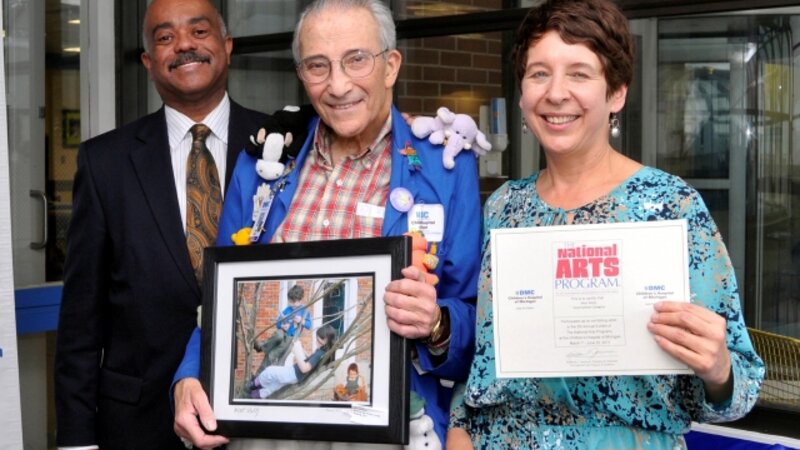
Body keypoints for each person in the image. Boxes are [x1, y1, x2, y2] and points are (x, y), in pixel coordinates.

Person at [446, 1, 765, 449]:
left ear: (616, 93)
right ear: (522, 93)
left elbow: (739, 391)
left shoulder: (670, 206)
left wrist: (718, 369)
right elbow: (487, 359)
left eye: (579, 73)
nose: (555, 93)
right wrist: (460, 430)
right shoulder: (504, 208)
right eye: (539, 73)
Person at [172, 0, 481, 449]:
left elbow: (475, 321)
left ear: (391, 66)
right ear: (302, 74)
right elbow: (221, 299)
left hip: (388, 431)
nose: (338, 85)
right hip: (264, 430)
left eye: (356, 60)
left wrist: (436, 323)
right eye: (318, 66)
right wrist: (187, 378)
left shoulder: (444, 167)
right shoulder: (262, 164)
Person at [52, 0, 270, 448]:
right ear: (149, 61)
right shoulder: (104, 163)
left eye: (199, 32)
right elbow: (81, 320)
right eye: (165, 37)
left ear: (226, 46)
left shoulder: (283, 145)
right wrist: (77, 440)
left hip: (262, 417)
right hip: (137, 425)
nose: (184, 45)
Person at [250, 325, 338, 399]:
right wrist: (303, 351)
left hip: (294, 373)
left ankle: (254, 383)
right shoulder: (324, 352)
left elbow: (304, 368)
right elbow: (311, 362)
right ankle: (255, 396)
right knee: (274, 385)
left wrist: (296, 352)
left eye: (318, 340)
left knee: (270, 371)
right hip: (296, 377)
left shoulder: (320, 353)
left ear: (326, 340)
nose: (316, 342)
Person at [253, 284, 310, 367]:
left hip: (291, 338)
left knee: (273, 354)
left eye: (295, 302)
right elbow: (278, 322)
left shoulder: (304, 311)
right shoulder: (288, 309)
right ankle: (261, 347)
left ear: (300, 300)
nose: (292, 304)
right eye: (290, 302)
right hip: (283, 333)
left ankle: (263, 354)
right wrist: (282, 326)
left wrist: (301, 320)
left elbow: (309, 325)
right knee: (278, 335)